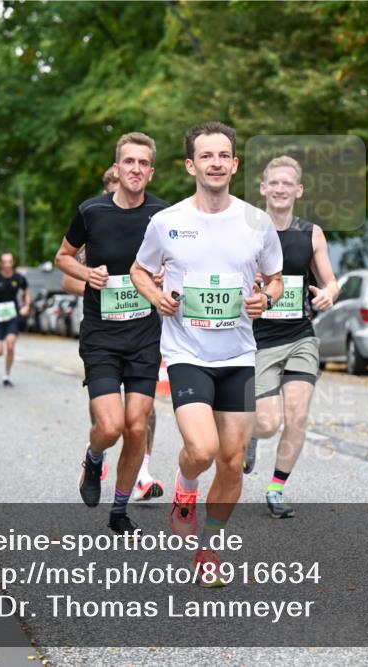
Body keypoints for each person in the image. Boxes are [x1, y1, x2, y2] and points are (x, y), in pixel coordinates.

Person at [130, 121, 283, 586]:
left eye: (223, 156)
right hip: (187, 353)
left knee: (232, 461)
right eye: (206, 156)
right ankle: (186, 488)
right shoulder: (167, 222)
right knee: (201, 450)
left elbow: (276, 279)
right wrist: (156, 298)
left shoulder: (257, 222)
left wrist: (266, 298)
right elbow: (139, 270)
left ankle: (209, 547)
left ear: (234, 164)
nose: (215, 163)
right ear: (190, 165)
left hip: (238, 355)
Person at [56, 132, 169, 534]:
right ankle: (93, 458)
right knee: (110, 426)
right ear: (117, 168)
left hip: (144, 336)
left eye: (143, 163)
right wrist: (87, 273)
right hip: (102, 337)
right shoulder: (92, 212)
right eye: (129, 162)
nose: (136, 169)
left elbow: (181, 261)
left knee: (137, 426)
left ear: (151, 171)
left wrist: (165, 275)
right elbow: (63, 257)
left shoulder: (164, 215)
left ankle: (119, 511)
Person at [246, 156, 339, 518]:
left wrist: (329, 293)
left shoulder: (311, 233)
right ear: (263, 188)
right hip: (259, 339)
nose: (281, 189)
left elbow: (331, 281)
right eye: (274, 183)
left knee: (297, 416)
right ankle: (250, 437)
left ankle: (276, 489)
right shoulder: (249, 231)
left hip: (300, 336)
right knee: (267, 424)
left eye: (288, 183)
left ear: (298, 190)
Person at [0, 252, 31, 387]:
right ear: (0, 264)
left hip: (12, 317)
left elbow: (26, 293)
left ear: (13, 262)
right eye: (5, 262)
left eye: (10, 261)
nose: (7, 264)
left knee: (10, 345)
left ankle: (7, 375)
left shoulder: (19, 278)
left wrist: (27, 306)